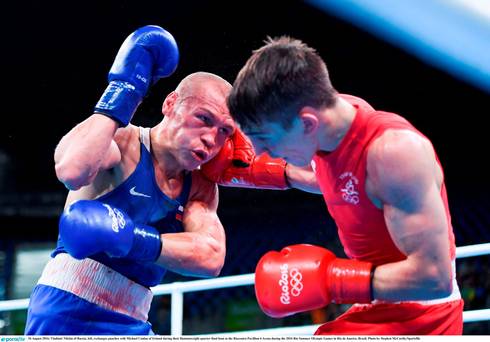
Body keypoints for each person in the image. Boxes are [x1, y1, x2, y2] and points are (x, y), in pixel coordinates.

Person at [206, 36, 464, 335]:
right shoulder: (334, 125)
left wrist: (331, 280)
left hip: (425, 316)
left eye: (266, 138)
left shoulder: (394, 153)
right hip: (378, 307)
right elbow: (333, 180)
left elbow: (435, 278)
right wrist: (253, 172)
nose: (261, 151)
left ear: (307, 123)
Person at [24, 25, 247, 335]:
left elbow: (210, 255)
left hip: (133, 321)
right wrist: (124, 92)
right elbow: (71, 169)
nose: (212, 139)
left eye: (225, 131)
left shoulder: (199, 186)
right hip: (66, 309)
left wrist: (130, 237)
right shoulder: (123, 143)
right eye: (204, 119)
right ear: (171, 104)